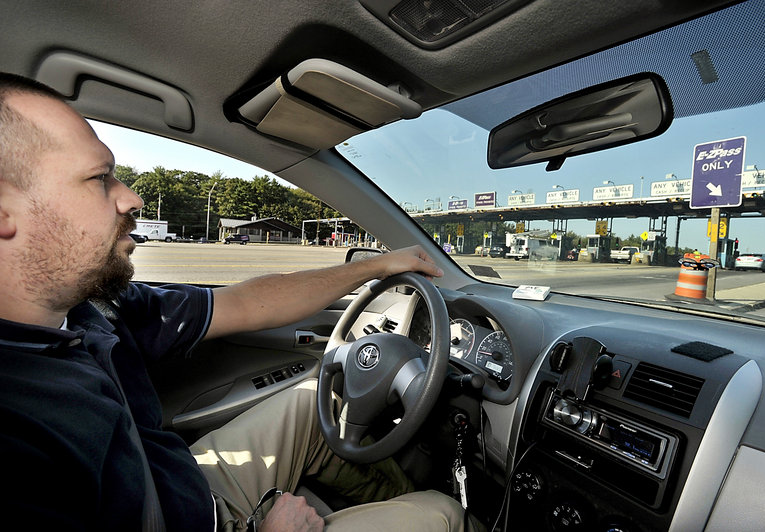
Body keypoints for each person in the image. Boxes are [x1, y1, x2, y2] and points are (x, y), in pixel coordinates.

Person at [0, 73, 466, 531]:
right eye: (100, 178)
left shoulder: (93, 308)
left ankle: (397, 499)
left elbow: (245, 303)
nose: (132, 197)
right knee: (442, 514)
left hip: (180, 488)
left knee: (312, 403)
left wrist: (372, 266)